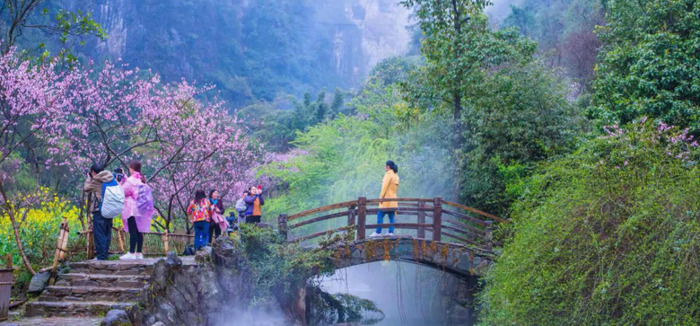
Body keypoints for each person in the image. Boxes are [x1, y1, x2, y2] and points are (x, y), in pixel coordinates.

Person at [83, 164, 117, 260]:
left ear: (93, 172)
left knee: (99, 233)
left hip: (100, 210)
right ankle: (104, 254)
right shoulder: (111, 178)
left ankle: (101, 257)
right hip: (111, 209)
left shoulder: (97, 180)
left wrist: (89, 177)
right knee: (107, 232)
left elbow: (86, 188)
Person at [119, 161, 153, 260]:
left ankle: (131, 252)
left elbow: (123, 191)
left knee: (132, 230)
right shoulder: (141, 179)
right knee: (139, 231)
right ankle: (139, 253)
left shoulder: (131, 180)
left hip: (132, 210)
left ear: (132, 169)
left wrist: (119, 182)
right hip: (141, 209)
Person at [370, 160, 399, 237]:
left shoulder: (388, 174)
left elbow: (384, 187)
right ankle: (390, 232)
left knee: (380, 214)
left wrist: (381, 197)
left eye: (385, 166)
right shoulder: (396, 175)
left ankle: (378, 232)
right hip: (393, 199)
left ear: (388, 166)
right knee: (391, 215)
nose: (385, 167)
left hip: (386, 199)